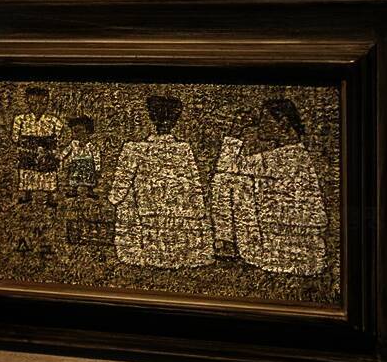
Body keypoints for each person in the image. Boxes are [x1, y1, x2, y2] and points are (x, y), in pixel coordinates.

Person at [210, 98, 328, 275]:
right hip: (295, 246)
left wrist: (235, 132)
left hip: (280, 248)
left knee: (225, 179)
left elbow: (226, 166)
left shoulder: (284, 157)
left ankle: (226, 242)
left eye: (265, 119)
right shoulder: (295, 155)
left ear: (283, 124)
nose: (259, 126)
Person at [108, 95, 214, 269]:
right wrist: (198, 208)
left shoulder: (134, 149)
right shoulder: (183, 148)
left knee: (130, 202)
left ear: (151, 118)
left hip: (147, 209)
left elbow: (121, 184)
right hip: (175, 209)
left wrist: (114, 199)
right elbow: (194, 183)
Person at [11, 87, 63, 206]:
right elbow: (15, 137)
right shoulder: (20, 119)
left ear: (47, 103)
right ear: (28, 102)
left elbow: (58, 136)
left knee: (48, 172)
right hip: (28, 150)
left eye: (42, 104)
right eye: (33, 104)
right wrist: (24, 145)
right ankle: (27, 195)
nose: (38, 107)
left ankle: (50, 197)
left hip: (46, 151)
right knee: (27, 172)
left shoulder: (53, 120)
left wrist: (49, 147)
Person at [61, 115, 101, 199]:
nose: (74, 134)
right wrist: (61, 157)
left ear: (86, 131)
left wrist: (97, 167)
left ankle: (90, 191)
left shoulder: (90, 145)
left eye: (77, 131)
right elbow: (66, 151)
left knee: (89, 178)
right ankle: (73, 191)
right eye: (73, 132)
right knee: (75, 178)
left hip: (88, 165)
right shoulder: (73, 143)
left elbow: (96, 156)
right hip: (76, 164)